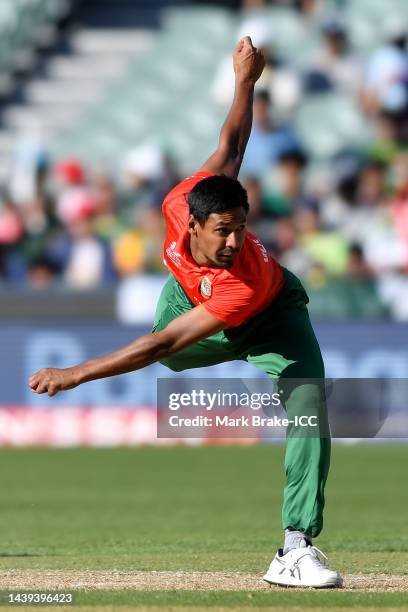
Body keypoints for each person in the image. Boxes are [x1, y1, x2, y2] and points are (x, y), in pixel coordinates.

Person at [29, 37, 341, 589]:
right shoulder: (182, 200)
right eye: (224, 229)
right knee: (166, 347)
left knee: (310, 404)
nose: (235, 239)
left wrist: (75, 373)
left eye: (242, 228)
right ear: (192, 224)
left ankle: (295, 548)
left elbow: (162, 347)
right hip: (188, 296)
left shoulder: (240, 278)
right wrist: (244, 81)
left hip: (270, 314)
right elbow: (232, 142)